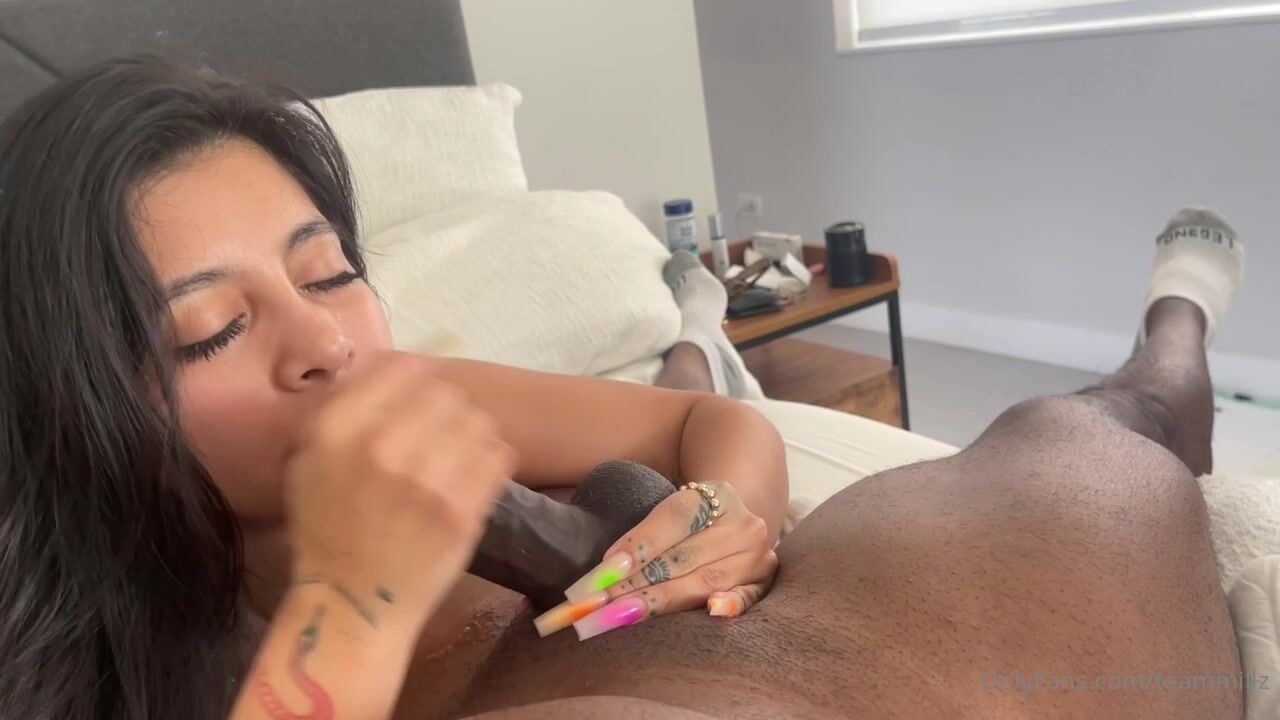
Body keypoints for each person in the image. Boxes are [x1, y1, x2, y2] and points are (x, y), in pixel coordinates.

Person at [0, 57, 1245, 720]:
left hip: (921, 600)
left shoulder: (410, 390)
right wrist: (355, 600)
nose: (322, 342)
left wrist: (722, 511)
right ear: (72, 407)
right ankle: (693, 323)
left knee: (1100, 424)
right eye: (211, 330)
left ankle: (1173, 326)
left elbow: (703, 429)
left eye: (329, 273)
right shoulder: (103, 667)